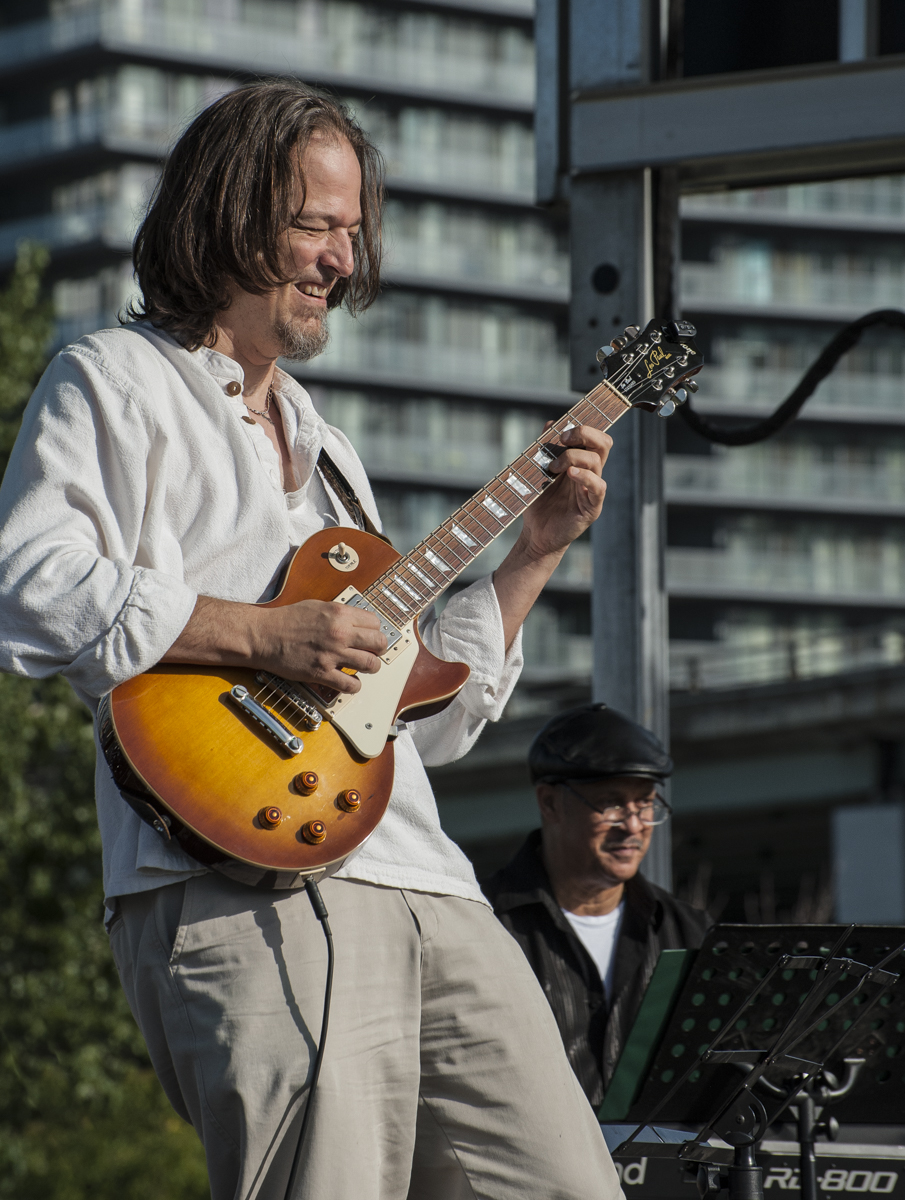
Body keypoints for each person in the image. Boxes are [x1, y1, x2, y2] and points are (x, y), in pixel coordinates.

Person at [0, 82, 625, 1200]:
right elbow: (30, 584)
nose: (342, 259)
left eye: (351, 232)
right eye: (315, 225)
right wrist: (266, 636)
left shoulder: (332, 449)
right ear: (227, 213)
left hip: (428, 882)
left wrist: (535, 550)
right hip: (238, 885)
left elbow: (403, 730)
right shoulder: (114, 378)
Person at [483, 703, 710, 1110]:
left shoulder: (688, 931)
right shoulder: (482, 927)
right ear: (549, 803)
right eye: (611, 804)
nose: (635, 825)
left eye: (644, 804)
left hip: (664, 1171)